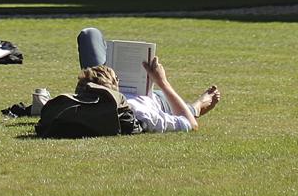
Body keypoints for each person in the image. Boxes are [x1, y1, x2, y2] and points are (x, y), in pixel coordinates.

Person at [73, 28, 220, 132]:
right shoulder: (140, 113)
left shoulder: (78, 104)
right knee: (181, 109)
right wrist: (162, 81)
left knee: (89, 34)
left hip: (100, 86)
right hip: (153, 99)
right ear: (116, 83)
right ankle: (196, 107)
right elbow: (189, 124)